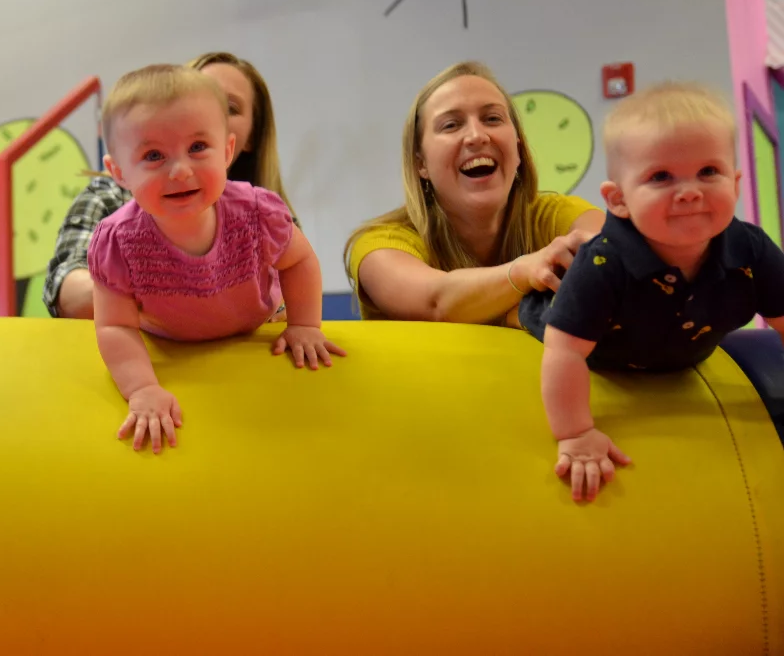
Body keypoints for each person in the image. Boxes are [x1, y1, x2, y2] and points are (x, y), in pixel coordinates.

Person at [518, 82, 784, 502]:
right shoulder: (604, 263)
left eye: (708, 172)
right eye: (661, 177)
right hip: (589, 338)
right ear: (619, 200)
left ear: (734, 182)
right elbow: (564, 352)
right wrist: (575, 433)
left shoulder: (750, 250)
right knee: (540, 320)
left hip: (679, 343)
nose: (690, 190)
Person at [90, 65, 345, 455]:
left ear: (226, 151)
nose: (180, 170)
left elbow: (299, 260)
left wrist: (305, 325)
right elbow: (115, 328)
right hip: (169, 341)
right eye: (153, 155)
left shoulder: (256, 213)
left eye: (197, 148)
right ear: (119, 171)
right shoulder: (118, 241)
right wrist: (142, 388)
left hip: (255, 328)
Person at [345, 61, 604, 324]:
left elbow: (614, 276)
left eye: (492, 119)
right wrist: (525, 274)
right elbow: (435, 302)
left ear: (518, 147)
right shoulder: (379, 244)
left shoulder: (560, 216)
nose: (477, 136)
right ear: (421, 164)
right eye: (451, 125)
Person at [45, 51, 295, 319]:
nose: (180, 171)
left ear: (239, 142)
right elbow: (68, 291)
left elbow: (293, 295)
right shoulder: (107, 199)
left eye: (228, 107)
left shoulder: (266, 213)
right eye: (154, 156)